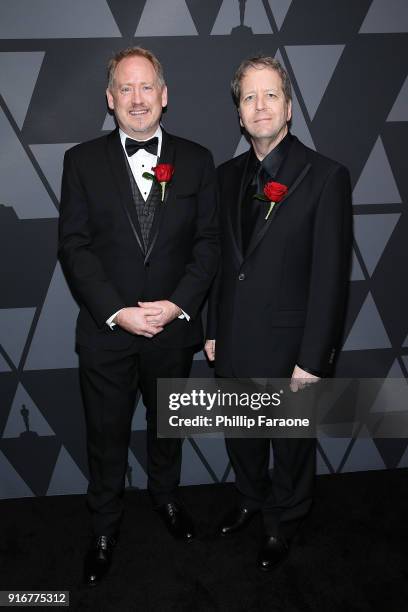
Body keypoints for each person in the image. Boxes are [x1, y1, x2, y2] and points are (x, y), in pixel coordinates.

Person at [59, 46, 219, 586]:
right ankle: (103, 524)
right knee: (105, 435)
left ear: (164, 95)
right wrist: (116, 312)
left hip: (173, 332)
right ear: (109, 100)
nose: (136, 98)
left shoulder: (197, 160)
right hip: (107, 334)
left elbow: (209, 246)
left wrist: (177, 306)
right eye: (124, 88)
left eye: (146, 86)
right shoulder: (80, 161)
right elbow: (74, 248)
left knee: (167, 428)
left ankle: (166, 497)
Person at [205, 55, 352, 571]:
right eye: (249, 97)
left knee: (290, 447)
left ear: (288, 107)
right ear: (239, 113)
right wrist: (211, 331)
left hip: (292, 348)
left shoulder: (326, 176)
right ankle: (249, 498)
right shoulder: (224, 178)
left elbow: (331, 277)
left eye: (270, 95)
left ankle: (284, 520)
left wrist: (314, 359)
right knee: (242, 436)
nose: (260, 106)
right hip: (233, 340)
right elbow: (220, 264)